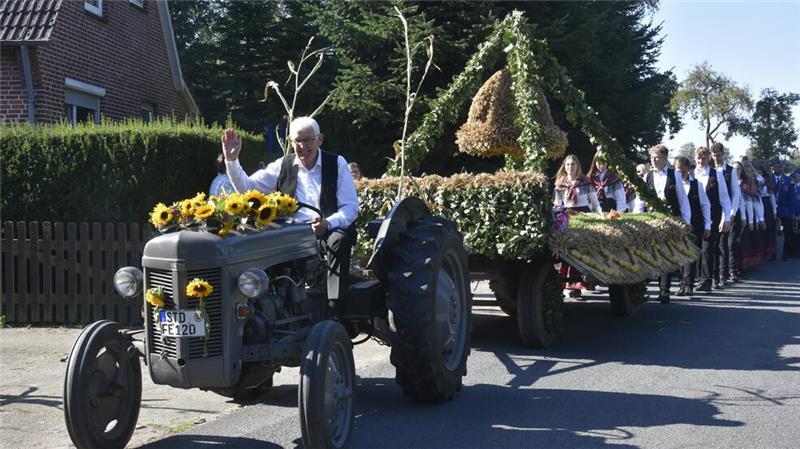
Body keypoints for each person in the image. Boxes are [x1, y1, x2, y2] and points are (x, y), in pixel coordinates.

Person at [221, 117, 360, 307]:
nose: (303, 146)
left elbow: (350, 208)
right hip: (291, 233)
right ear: (291, 142)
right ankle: (261, 301)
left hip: (326, 231)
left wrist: (328, 223)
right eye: (297, 141)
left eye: (308, 140)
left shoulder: (336, 163)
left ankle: (335, 305)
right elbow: (247, 189)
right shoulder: (283, 164)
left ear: (319, 139)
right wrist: (232, 160)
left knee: (339, 241)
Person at [634, 144, 691, 303]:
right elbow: (640, 201)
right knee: (653, 255)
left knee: (666, 254)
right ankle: (649, 289)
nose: (653, 160)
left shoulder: (675, 175)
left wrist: (686, 221)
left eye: (657, 157)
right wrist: (636, 220)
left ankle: (664, 291)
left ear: (665, 158)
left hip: (669, 219)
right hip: (652, 219)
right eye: (651, 158)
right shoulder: (647, 177)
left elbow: (682, 200)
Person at [553, 154, 601, 298]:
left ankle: (577, 285)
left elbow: (595, 203)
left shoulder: (585, 182)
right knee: (565, 251)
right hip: (567, 217)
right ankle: (560, 285)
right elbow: (557, 204)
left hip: (583, 217)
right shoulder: (560, 183)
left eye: (573, 164)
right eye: (567, 164)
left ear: (577, 166)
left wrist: (600, 217)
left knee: (579, 251)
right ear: (564, 166)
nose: (570, 167)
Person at [693, 146, 733, 292]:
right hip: (697, 215)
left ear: (707, 158)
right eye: (698, 158)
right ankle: (700, 278)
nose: (700, 161)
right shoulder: (693, 175)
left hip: (713, 215)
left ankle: (708, 280)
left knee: (709, 247)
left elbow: (725, 198)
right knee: (698, 248)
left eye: (703, 158)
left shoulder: (717, 175)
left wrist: (726, 218)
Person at [674, 156, 711, 297]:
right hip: (678, 224)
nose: (680, 175)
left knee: (690, 254)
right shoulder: (674, 184)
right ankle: (682, 283)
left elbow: (705, 205)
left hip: (695, 223)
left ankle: (689, 284)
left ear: (688, 170)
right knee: (680, 254)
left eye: (683, 172)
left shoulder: (697, 185)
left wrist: (708, 224)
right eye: (678, 171)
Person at [710, 143, 741, 285]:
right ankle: (713, 275)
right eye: (714, 155)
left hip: (726, 210)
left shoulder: (731, 170)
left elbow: (735, 193)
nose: (716, 158)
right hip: (711, 210)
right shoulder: (709, 169)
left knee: (723, 244)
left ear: (724, 154)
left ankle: (723, 274)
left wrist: (732, 213)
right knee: (712, 244)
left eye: (719, 155)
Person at [755, 164, 778, 261]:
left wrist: (774, 211)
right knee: (761, 231)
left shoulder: (767, 181)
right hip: (758, 204)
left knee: (770, 230)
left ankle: (772, 253)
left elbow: (772, 197)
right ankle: (762, 253)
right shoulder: (753, 181)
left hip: (767, 204)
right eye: (757, 171)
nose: (759, 173)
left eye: (760, 171)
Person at [776, 167, 798, 260]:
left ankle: (790, 253)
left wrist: (793, 212)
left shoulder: (789, 181)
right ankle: (782, 253)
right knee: (783, 233)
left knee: (790, 232)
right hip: (781, 211)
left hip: (789, 211)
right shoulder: (774, 179)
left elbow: (793, 199)